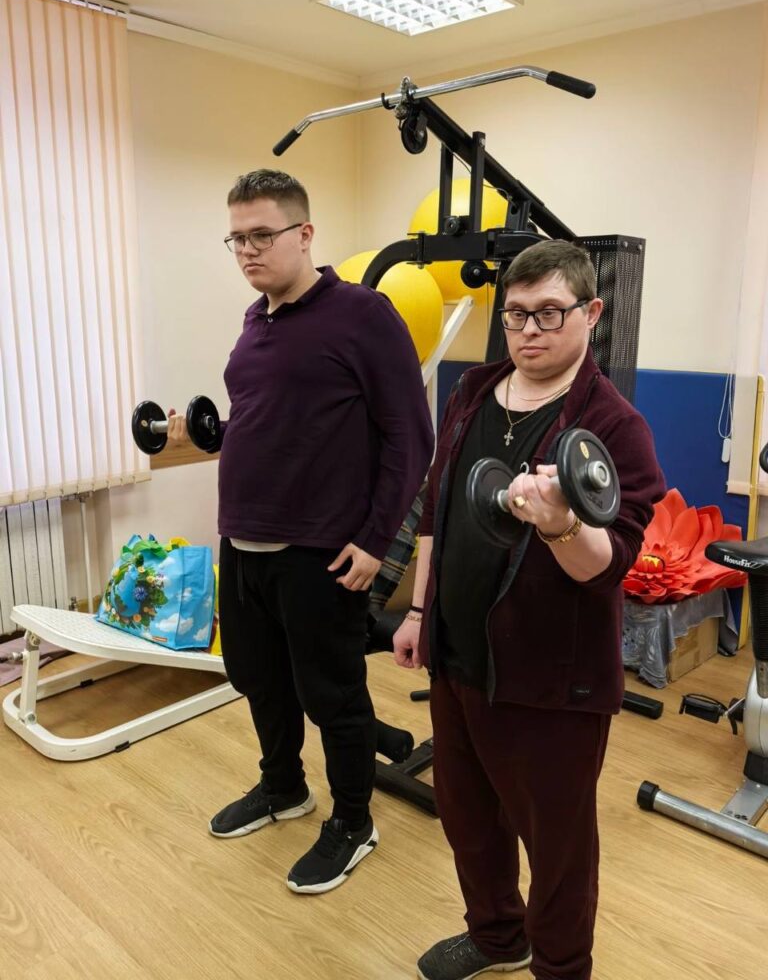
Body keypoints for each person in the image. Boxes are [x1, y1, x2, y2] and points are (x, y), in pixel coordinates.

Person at [393, 239, 665, 980]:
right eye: (516, 314)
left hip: (552, 681)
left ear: (591, 312)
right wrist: (417, 612)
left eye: (549, 312)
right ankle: (496, 937)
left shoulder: (615, 428)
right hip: (457, 656)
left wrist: (560, 525)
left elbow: (609, 567)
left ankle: (561, 968)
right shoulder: (473, 391)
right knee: (469, 820)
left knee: (558, 847)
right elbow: (436, 509)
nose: (529, 331)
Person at [168, 169, 433, 894]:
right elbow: (271, 419)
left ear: (305, 233)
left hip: (320, 550)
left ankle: (353, 821)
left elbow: (411, 437)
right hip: (243, 539)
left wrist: (376, 541)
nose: (247, 251)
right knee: (256, 677)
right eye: (236, 239)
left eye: (262, 234)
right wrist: (208, 433)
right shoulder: (256, 321)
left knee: (333, 696)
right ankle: (283, 786)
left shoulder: (364, 314)